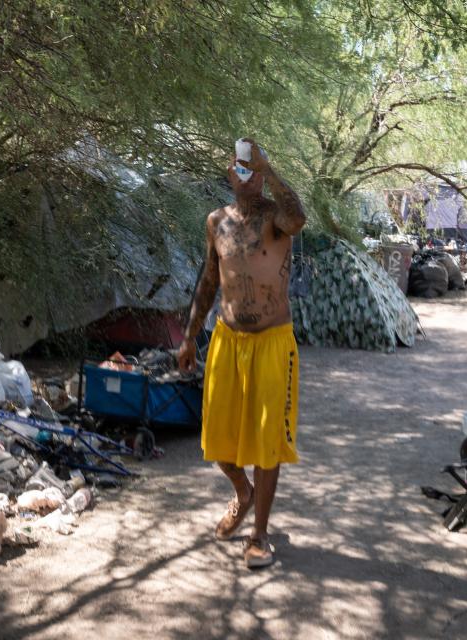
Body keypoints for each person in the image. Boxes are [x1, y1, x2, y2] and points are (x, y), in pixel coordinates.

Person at [177, 138, 306, 569]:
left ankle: (260, 534)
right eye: (240, 168)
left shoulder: (276, 219)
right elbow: (209, 282)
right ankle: (243, 493)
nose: (245, 175)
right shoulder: (217, 222)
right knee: (218, 441)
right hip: (227, 341)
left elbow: (300, 217)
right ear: (229, 174)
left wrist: (270, 171)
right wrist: (189, 337)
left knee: (268, 442)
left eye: (253, 169)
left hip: (272, 343)